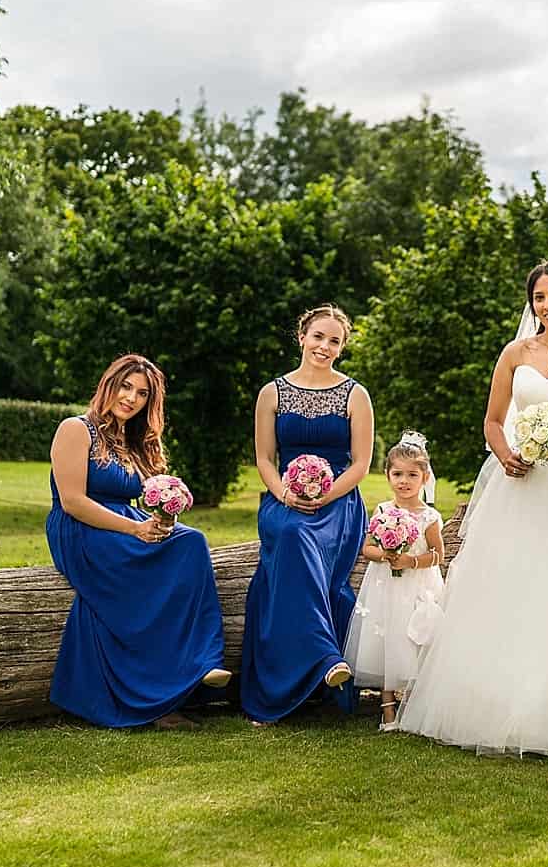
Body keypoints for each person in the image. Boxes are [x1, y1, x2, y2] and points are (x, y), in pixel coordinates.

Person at [398, 259, 548, 755]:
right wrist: (508, 455)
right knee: (516, 587)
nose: (547, 305)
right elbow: (493, 422)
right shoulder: (514, 352)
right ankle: (500, 703)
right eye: (539, 297)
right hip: (525, 488)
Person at [46, 354, 230, 730]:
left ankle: (204, 661)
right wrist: (134, 530)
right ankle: (151, 695)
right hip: (80, 528)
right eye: (126, 387)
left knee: (191, 543)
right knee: (159, 571)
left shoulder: (132, 443)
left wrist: (164, 515)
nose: (131, 398)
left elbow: (145, 500)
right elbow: (73, 501)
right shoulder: (75, 429)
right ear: (108, 384)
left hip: (126, 522)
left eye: (142, 394)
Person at [241, 305, 374, 726]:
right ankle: (325, 656)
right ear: (302, 337)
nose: (325, 347)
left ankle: (320, 658)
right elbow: (264, 458)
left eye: (334, 341)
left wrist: (326, 494)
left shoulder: (356, 394)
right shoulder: (271, 393)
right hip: (282, 499)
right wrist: (284, 492)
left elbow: (360, 464)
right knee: (295, 534)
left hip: (339, 501)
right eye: (318, 337)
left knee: (303, 540)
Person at [343, 430, 446, 731]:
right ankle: (388, 713)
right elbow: (367, 548)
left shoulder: (430, 517)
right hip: (386, 590)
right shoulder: (384, 512)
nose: (404, 481)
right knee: (387, 644)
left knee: (416, 642)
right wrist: (386, 554)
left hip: (418, 588)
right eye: (397, 474)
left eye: (412, 475)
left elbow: (438, 554)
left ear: (424, 478)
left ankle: (414, 709)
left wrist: (410, 561)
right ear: (387, 475)